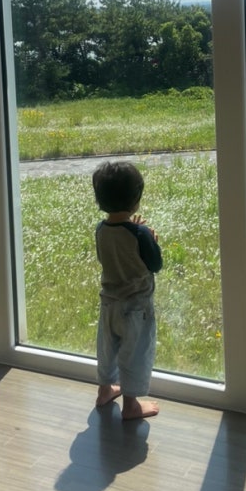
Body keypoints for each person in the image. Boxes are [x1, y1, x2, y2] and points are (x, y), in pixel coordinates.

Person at [92, 160, 163, 420]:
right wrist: (151, 240)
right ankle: (131, 405)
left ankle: (104, 390)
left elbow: (109, 255)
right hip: (136, 308)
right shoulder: (140, 234)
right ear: (136, 200)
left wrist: (137, 231)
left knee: (107, 350)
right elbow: (155, 264)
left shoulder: (101, 230)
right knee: (135, 353)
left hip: (109, 303)